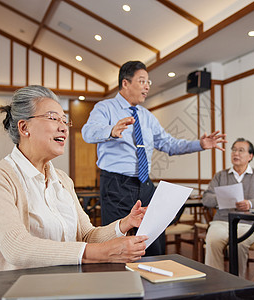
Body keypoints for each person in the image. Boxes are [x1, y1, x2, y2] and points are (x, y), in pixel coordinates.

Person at [0, 85, 148, 272]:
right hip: (14, 287)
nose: (63, 128)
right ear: (24, 127)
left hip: (64, 281)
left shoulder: (63, 179)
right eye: (53, 118)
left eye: (65, 121)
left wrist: (126, 223)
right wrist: (101, 252)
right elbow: (17, 248)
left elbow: (86, 235)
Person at [81, 61, 227, 256]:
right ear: (125, 83)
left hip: (145, 184)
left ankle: (154, 282)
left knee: (153, 242)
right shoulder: (105, 108)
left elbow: (169, 144)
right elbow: (88, 133)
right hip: (116, 184)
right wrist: (111, 130)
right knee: (117, 243)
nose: (147, 86)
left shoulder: (146, 116)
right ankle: (121, 284)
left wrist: (199, 144)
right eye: (142, 81)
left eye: (148, 81)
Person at [202, 138, 254, 276]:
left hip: (248, 224)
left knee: (239, 244)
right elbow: (206, 198)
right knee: (212, 241)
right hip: (221, 222)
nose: (236, 153)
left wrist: (250, 203)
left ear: (250, 156)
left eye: (241, 150)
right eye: (234, 150)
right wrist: (221, 198)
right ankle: (215, 284)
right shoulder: (220, 176)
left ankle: (237, 285)